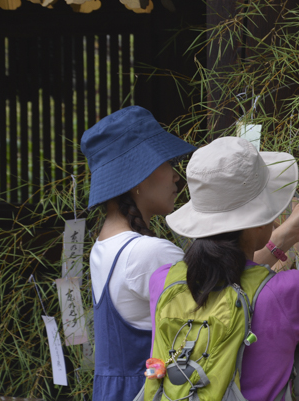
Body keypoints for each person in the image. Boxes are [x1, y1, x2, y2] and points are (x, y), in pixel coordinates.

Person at [149, 136, 299, 400]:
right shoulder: (288, 292)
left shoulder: (163, 281)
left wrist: (286, 236)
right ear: (258, 219)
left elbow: (232, 273)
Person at [82, 105, 197, 401]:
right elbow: (223, 306)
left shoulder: (103, 246)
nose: (176, 176)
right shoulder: (148, 252)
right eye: (167, 162)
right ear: (138, 176)